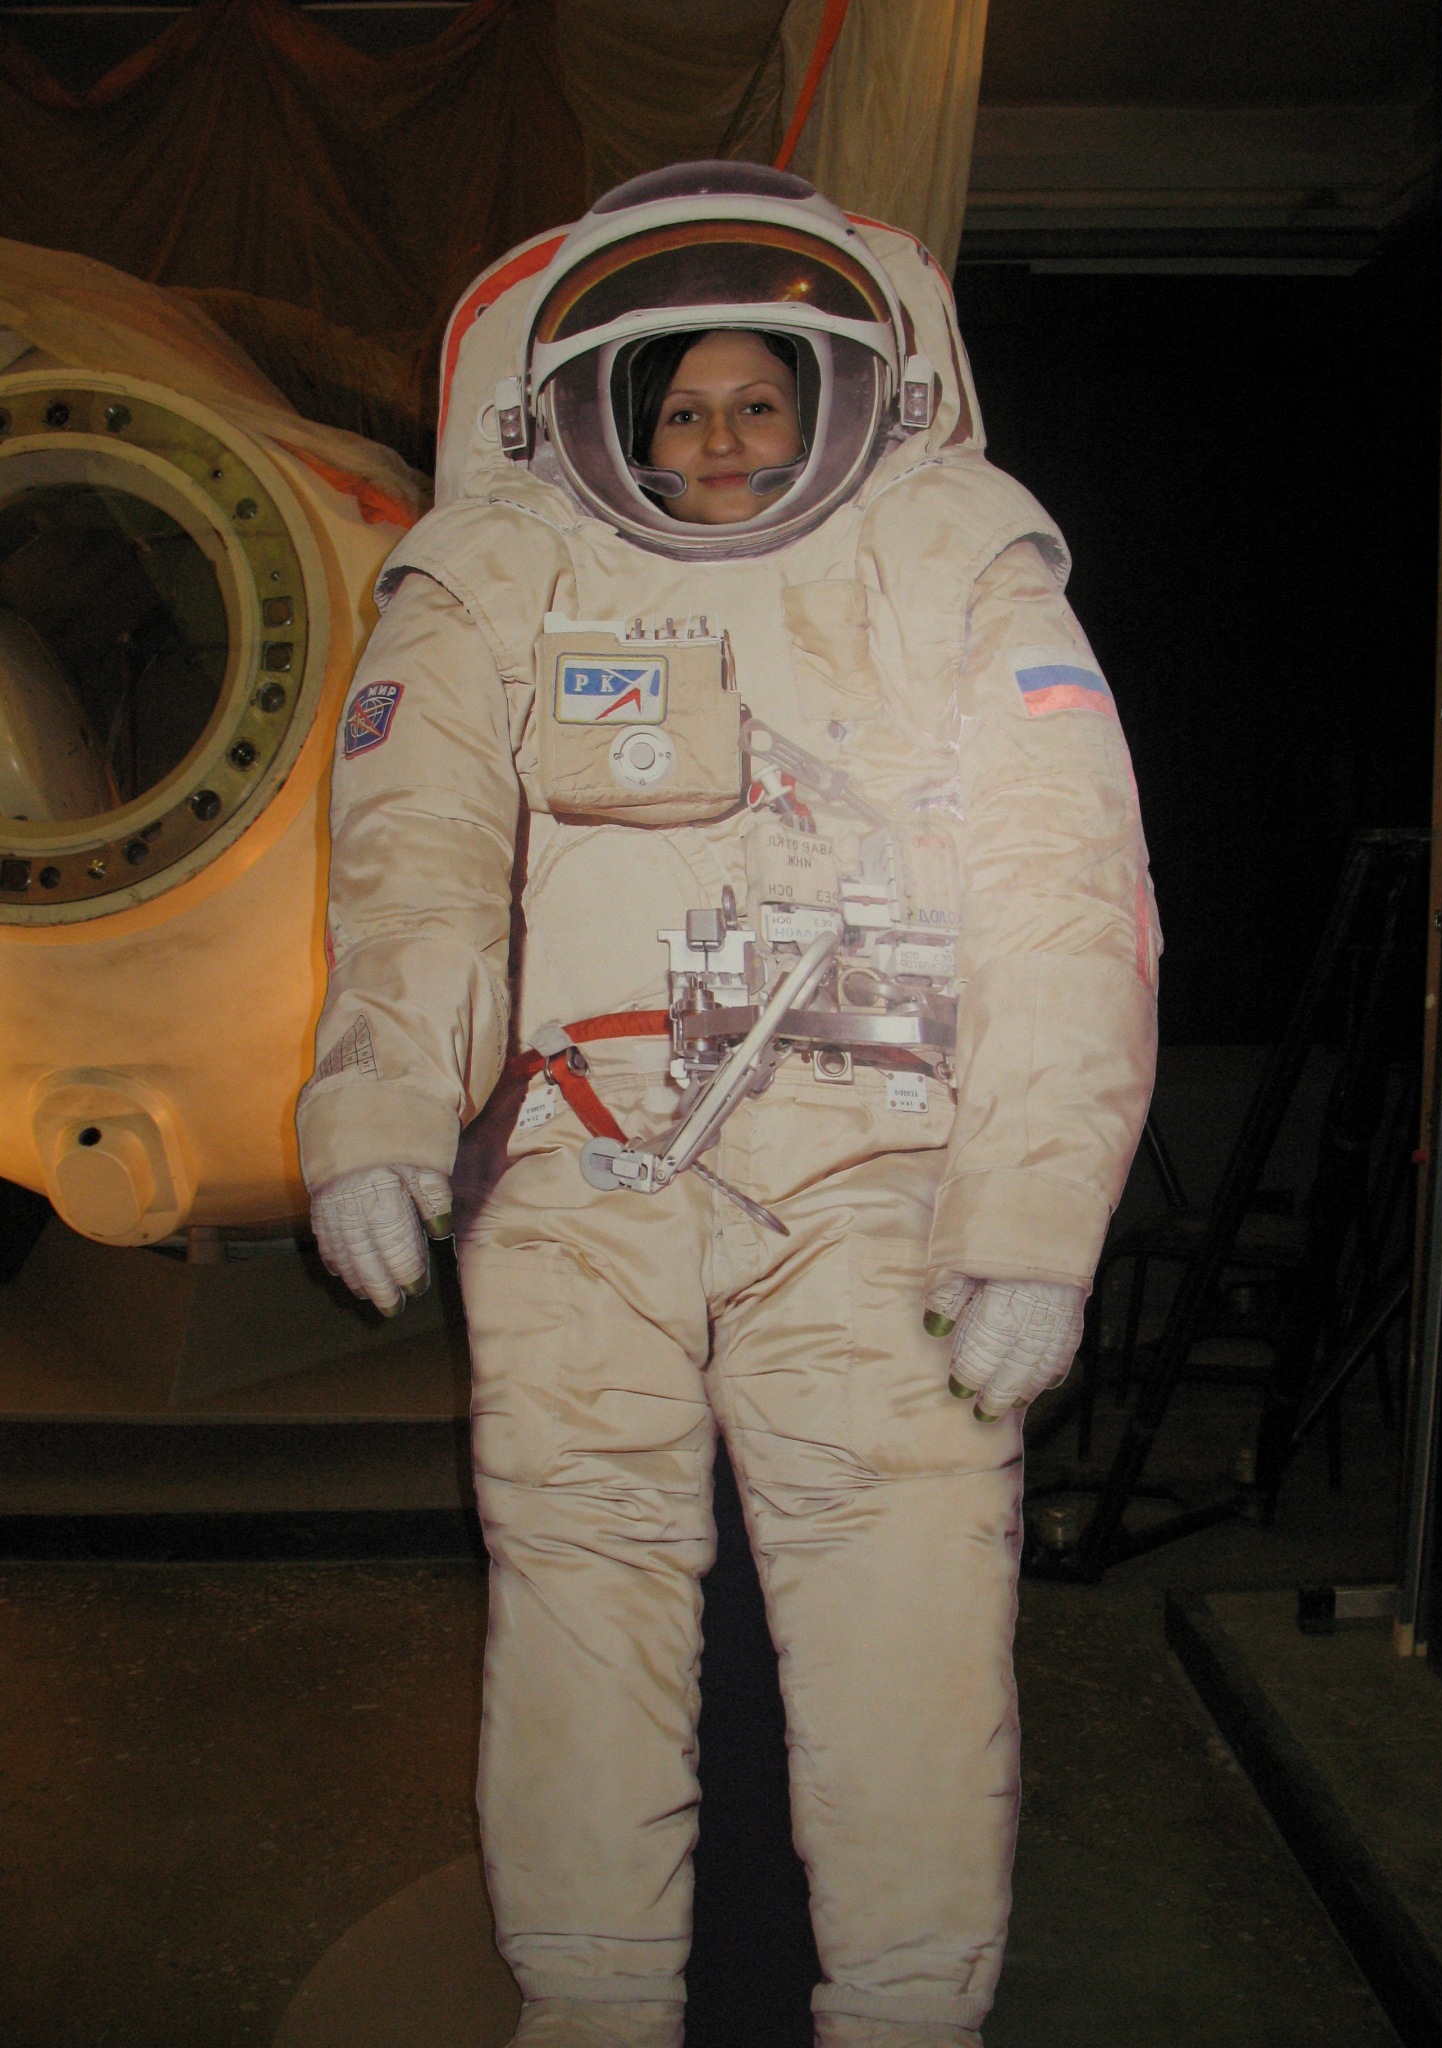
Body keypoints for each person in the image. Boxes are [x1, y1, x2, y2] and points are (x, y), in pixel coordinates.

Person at [298, 162, 1159, 2048]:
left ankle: (908, 2014)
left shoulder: (950, 557)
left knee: (906, 1602)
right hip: (582, 1159)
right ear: (605, 417)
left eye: (760, 398)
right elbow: (415, 866)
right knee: (577, 1591)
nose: (720, 438)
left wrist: (1031, 1223)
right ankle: (590, 2002)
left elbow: (1063, 894)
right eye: (679, 405)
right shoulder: (501, 572)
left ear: (841, 397)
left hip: (868, 1160)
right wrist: (377, 1108)